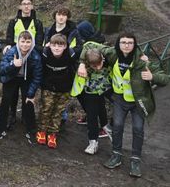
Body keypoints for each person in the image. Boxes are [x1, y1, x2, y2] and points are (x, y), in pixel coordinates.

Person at [78, 33, 169, 177]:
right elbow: (89, 45)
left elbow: (165, 78)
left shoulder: (142, 60)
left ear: (134, 45)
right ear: (118, 44)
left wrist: (153, 77)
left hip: (138, 101)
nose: (126, 45)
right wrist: (82, 64)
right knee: (118, 126)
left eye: (130, 43)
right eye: (123, 42)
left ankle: (135, 161)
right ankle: (116, 155)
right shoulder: (113, 53)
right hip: (120, 99)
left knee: (138, 129)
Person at [3, 0, 44, 130]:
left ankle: (26, 117)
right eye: (24, 4)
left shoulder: (37, 23)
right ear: (20, 6)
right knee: (13, 91)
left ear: (32, 6)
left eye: (29, 4)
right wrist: (10, 47)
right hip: (16, 57)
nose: (26, 6)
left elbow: (39, 41)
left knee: (26, 90)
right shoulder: (13, 21)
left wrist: (30, 52)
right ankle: (12, 115)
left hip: (30, 59)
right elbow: (9, 38)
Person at [0, 30, 42, 143]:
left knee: (28, 100)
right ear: (18, 41)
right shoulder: (12, 52)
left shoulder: (35, 56)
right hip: (12, 77)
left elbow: (37, 77)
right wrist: (13, 64)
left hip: (27, 79)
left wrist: (31, 93)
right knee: (6, 100)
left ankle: (30, 127)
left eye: (28, 42)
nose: (25, 44)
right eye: (22, 41)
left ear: (32, 42)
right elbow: (0, 70)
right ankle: (1, 125)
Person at [36, 34, 77, 149]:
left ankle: (53, 133)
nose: (57, 48)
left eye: (60, 45)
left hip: (64, 88)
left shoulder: (70, 54)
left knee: (58, 112)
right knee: (46, 109)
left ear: (65, 46)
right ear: (50, 45)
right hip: (48, 87)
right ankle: (42, 131)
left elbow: (76, 65)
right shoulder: (45, 53)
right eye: (54, 45)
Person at [71, 48, 113, 155]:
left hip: (107, 87)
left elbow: (88, 44)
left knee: (109, 106)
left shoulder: (108, 58)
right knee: (91, 115)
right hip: (91, 90)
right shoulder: (83, 64)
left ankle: (106, 127)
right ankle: (93, 142)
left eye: (100, 64)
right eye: (94, 66)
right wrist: (81, 65)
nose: (98, 67)